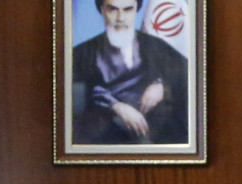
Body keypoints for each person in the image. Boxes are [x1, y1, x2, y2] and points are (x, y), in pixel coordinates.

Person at [71, 0, 188, 144]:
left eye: (127, 10)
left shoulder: (155, 46)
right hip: (104, 138)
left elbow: (189, 76)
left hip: (156, 138)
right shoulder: (81, 53)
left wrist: (163, 86)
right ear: (102, 10)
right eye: (113, 9)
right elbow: (74, 95)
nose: (120, 18)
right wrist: (116, 106)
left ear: (136, 11)